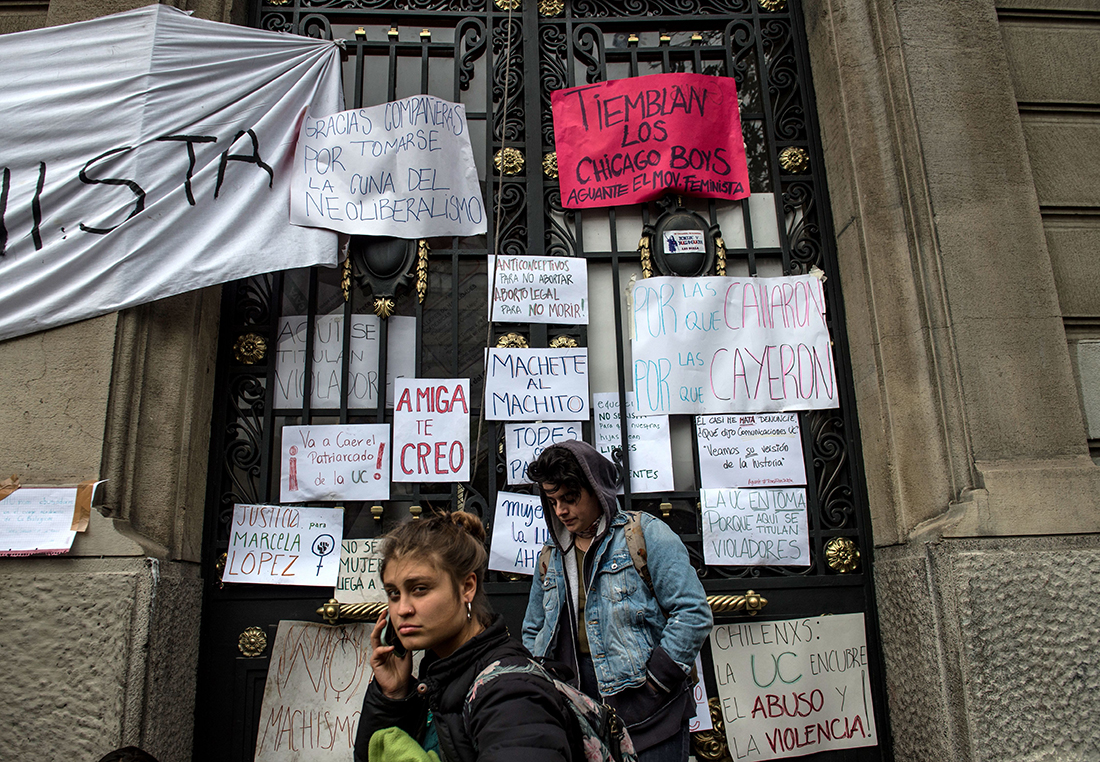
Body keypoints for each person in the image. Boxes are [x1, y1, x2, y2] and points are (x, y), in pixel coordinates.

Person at [522, 441, 712, 762]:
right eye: (552, 501)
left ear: (598, 490)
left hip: (646, 710)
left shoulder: (644, 534)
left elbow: (692, 612)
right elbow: (534, 626)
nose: (560, 511)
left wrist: (658, 680)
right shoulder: (552, 554)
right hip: (574, 713)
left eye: (570, 499)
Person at [354, 511, 579, 762]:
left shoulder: (511, 694)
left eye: (419, 589)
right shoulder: (437, 677)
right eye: (393, 593)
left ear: (467, 587)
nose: (402, 609)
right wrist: (392, 697)